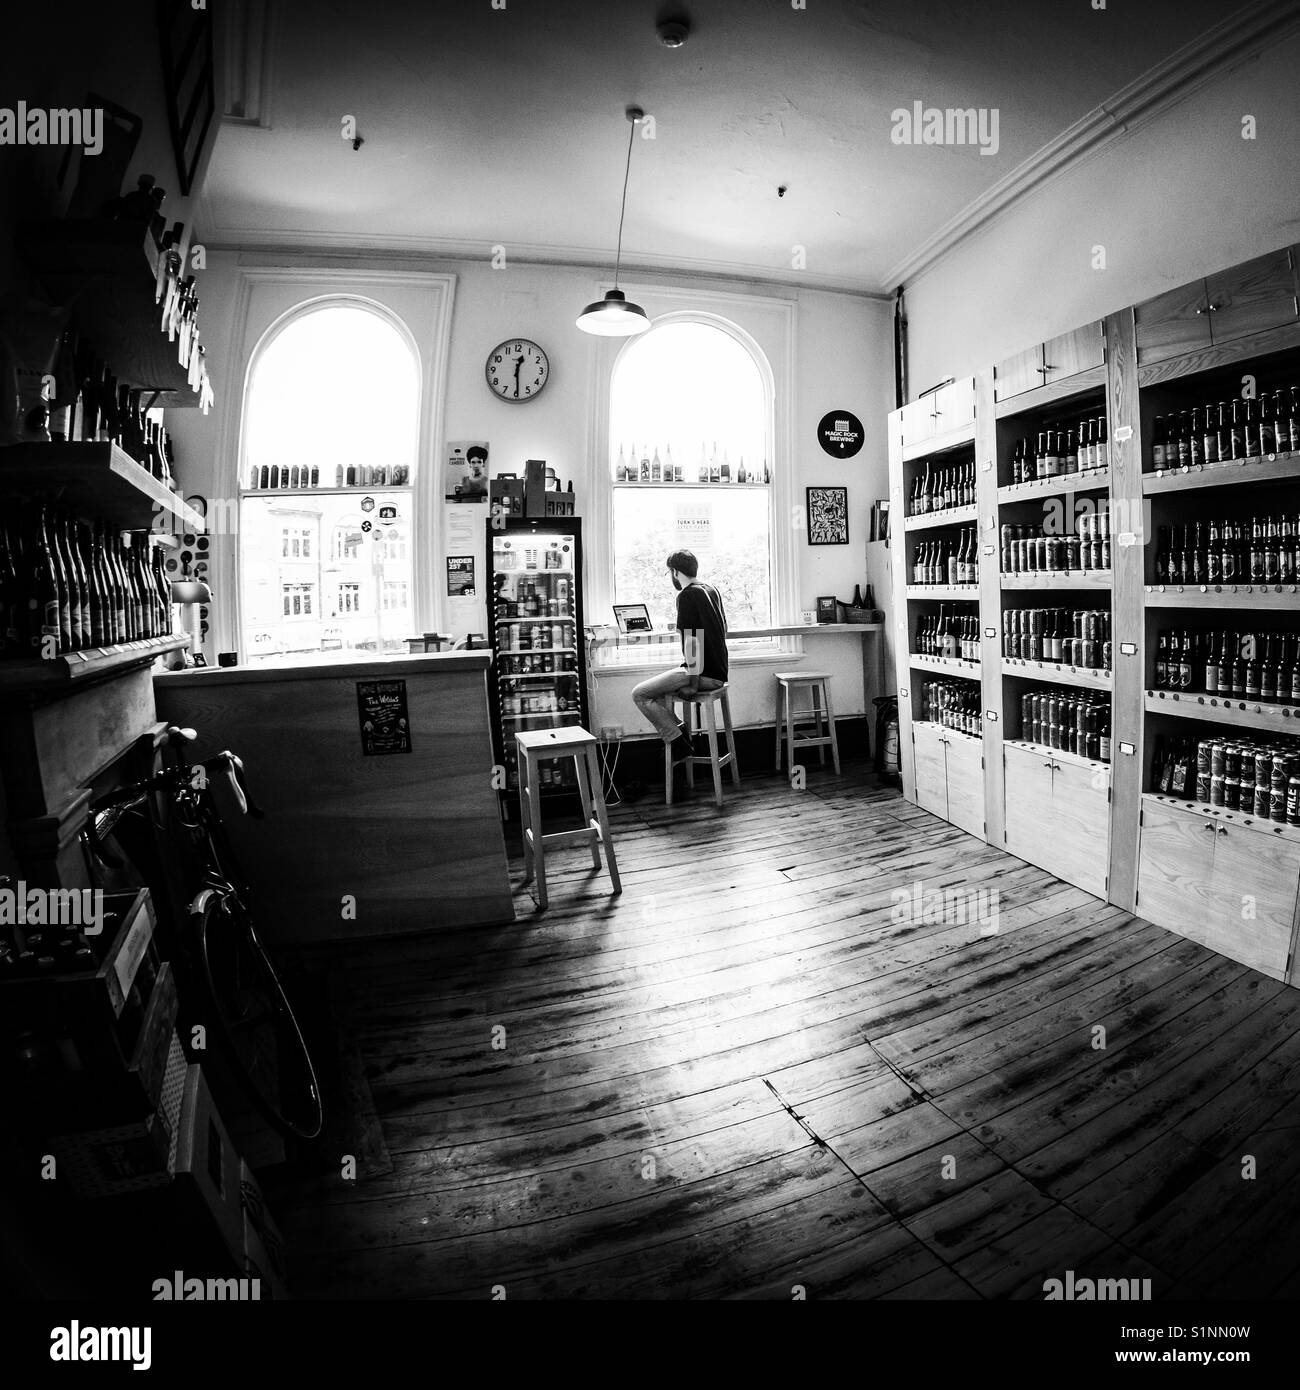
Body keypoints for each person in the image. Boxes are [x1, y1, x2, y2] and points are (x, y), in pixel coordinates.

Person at [632, 551, 728, 765]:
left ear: (674, 572)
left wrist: (693, 685)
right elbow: (723, 631)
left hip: (702, 674)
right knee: (656, 694)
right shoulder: (712, 590)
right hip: (719, 672)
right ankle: (680, 732)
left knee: (640, 694)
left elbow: (692, 642)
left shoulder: (686, 595)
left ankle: (678, 743)